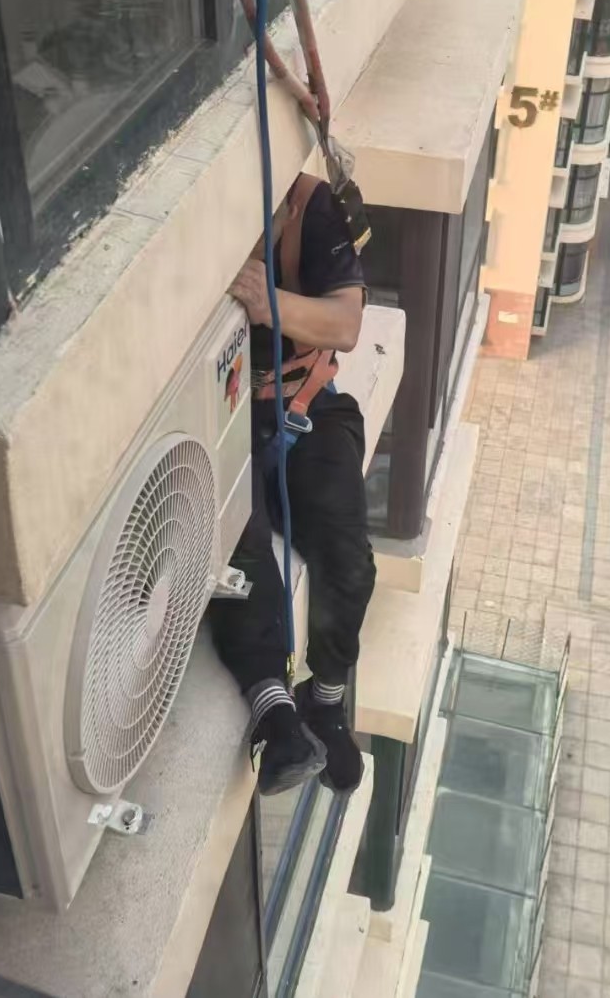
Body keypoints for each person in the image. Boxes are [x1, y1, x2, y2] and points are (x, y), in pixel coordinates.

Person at [212, 172, 375, 796]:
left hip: (302, 404)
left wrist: (269, 303)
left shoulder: (312, 207)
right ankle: (275, 715)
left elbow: (345, 324)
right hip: (222, 421)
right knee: (237, 546)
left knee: (347, 557)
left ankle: (325, 700)